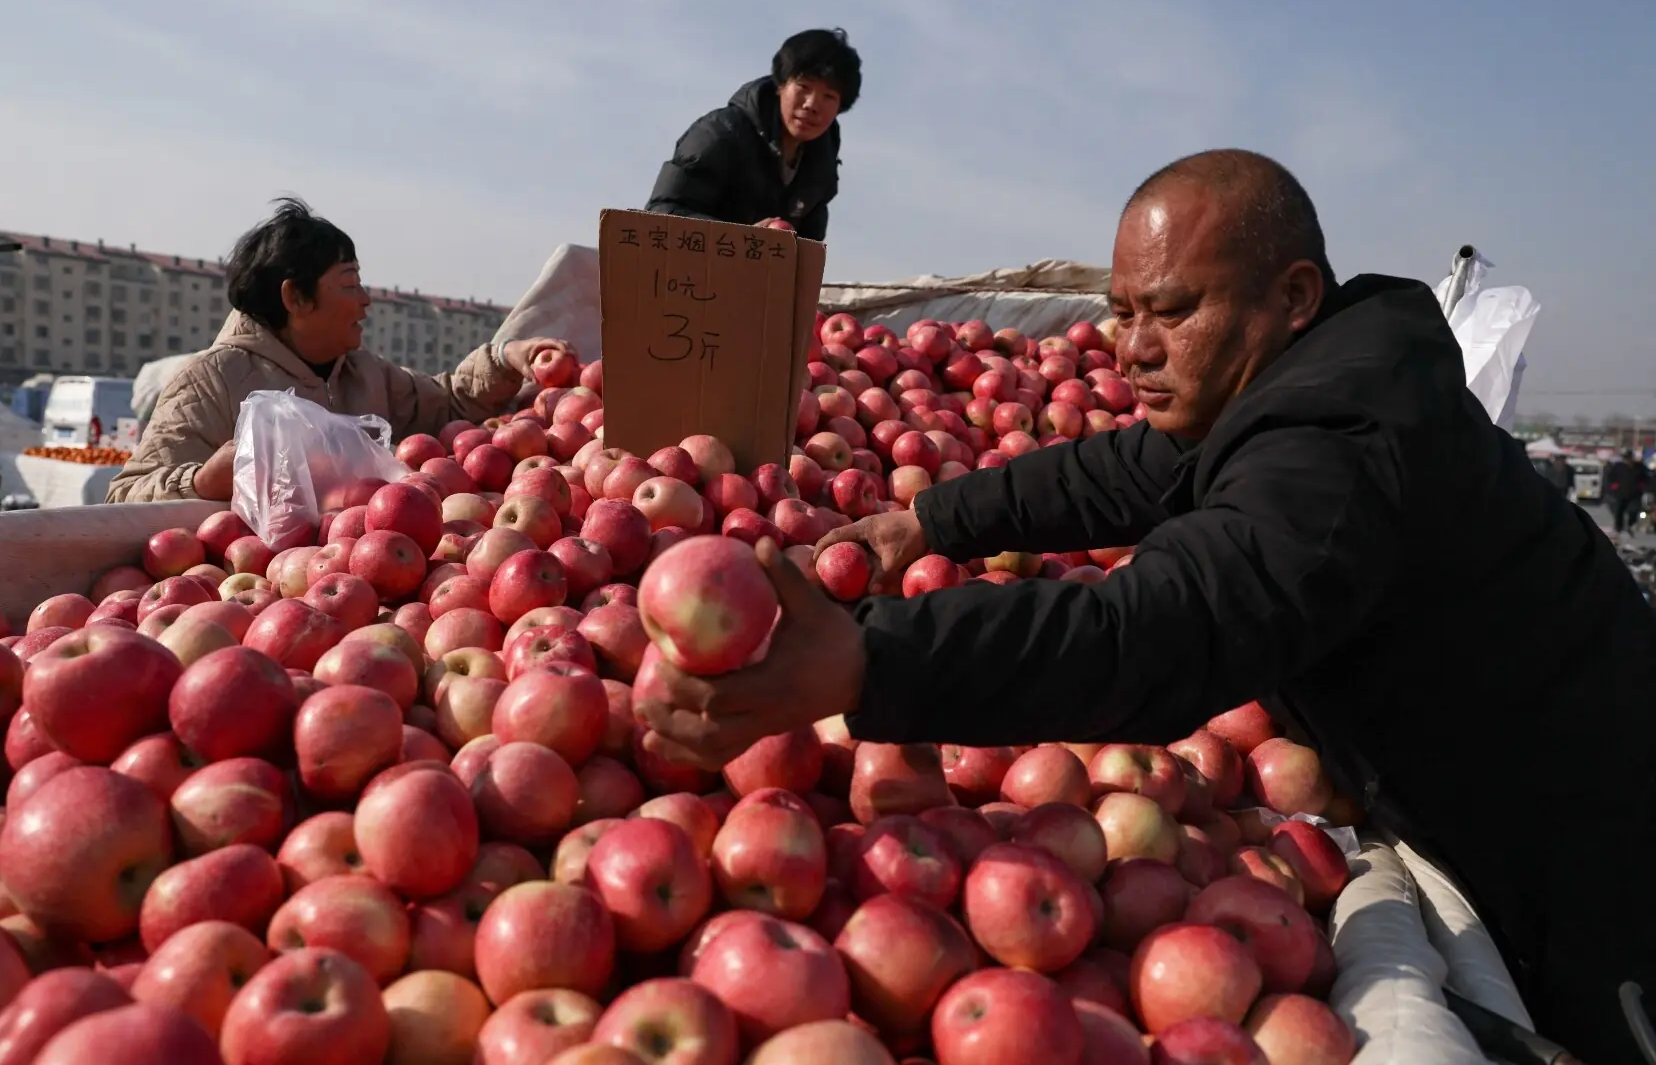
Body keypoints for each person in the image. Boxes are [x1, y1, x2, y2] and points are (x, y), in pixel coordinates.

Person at [635, 149, 1656, 1059]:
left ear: (1292, 295)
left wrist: (872, 664)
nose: (1130, 346)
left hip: (1578, 824)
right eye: (1122, 311)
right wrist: (931, 521)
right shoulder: (1293, 388)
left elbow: (1167, 627)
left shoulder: (1345, 441)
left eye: (1170, 310)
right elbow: (1123, 470)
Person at [107, 199, 571, 503]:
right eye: (350, 284)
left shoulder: (365, 374)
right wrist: (201, 482)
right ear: (296, 299)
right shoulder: (212, 383)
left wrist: (507, 358)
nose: (365, 299)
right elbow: (123, 495)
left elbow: (447, 403)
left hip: (366, 576)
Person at [645, 28, 861, 240]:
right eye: (803, 86)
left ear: (841, 107)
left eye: (829, 96)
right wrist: (742, 241)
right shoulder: (719, 135)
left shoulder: (821, 163)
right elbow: (660, 214)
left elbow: (808, 249)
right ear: (781, 85)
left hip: (756, 275)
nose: (812, 104)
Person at [1604, 448, 1647, 535]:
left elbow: (1646, 478)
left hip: (1635, 494)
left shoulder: (1639, 466)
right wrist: (1614, 487)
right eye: (1625, 458)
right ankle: (1618, 527)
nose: (1627, 460)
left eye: (1628, 457)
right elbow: (1610, 478)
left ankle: (1631, 524)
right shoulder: (1618, 466)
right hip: (1620, 493)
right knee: (1619, 511)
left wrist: (1643, 487)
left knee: (1634, 511)